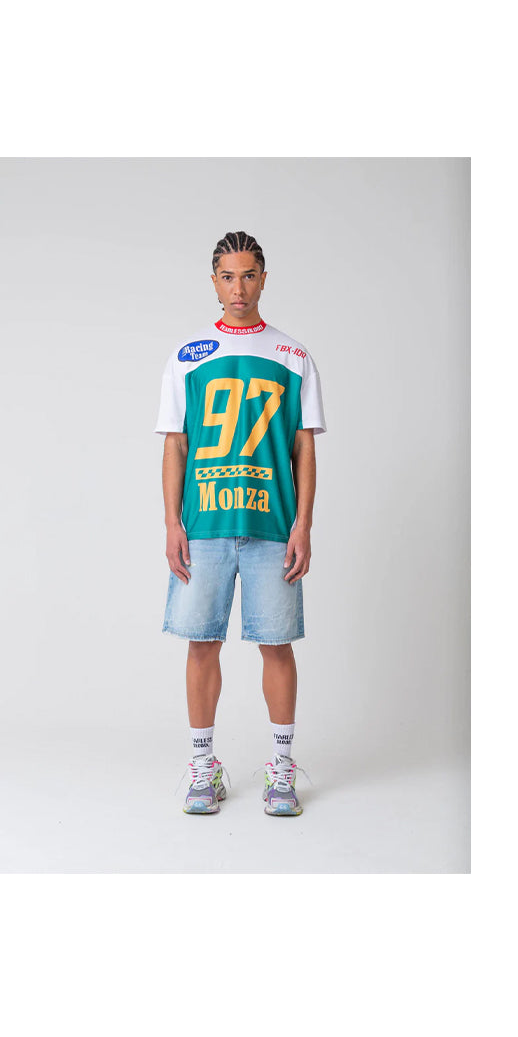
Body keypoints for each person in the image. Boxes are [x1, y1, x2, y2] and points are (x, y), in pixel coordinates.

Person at [154, 230, 326, 816]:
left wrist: (303, 525)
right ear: (213, 282)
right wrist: (172, 523)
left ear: (263, 279)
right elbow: (175, 445)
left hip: (272, 527)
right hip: (203, 525)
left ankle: (281, 769)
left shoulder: (293, 356)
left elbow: (303, 447)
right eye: (227, 277)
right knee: (201, 644)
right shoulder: (187, 356)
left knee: (276, 646)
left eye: (248, 275)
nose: (238, 288)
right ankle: (203, 767)